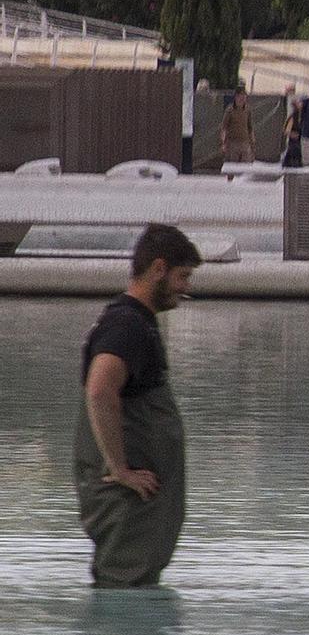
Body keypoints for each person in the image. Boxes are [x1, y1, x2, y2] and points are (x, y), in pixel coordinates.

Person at [74, 223, 202, 589]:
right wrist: (120, 469)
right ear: (158, 269)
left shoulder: (136, 323)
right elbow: (99, 391)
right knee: (122, 597)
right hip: (129, 505)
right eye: (183, 277)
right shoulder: (126, 325)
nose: (186, 288)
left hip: (140, 508)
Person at [220, 89, 254, 164]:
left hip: (245, 143)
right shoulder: (229, 110)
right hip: (232, 143)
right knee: (232, 167)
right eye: (240, 96)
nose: (242, 99)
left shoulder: (248, 110)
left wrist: (252, 142)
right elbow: (224, 127)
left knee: (245, 167)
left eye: (244, 97)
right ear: (236, 97)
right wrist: (223, 143)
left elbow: (250, 127)